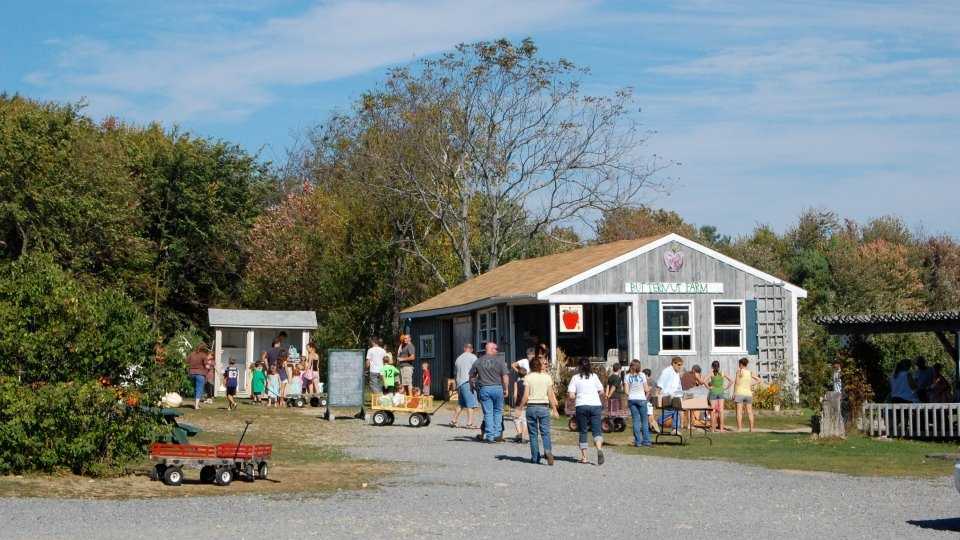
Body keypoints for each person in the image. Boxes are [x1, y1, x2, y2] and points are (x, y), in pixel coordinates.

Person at [519, 356, 559, 465]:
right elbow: (550, 395)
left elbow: (526, 396)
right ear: (540, 366)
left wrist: (520, 407)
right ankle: (547, 450)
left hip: (531, 407)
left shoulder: (528, 377)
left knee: (533, 434)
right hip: (544, 407)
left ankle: (535, 457)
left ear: (531, 366)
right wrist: (554, 409)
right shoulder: (547, 377)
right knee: (545, 432)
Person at [470, 341, 510, 443]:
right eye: (496, 349)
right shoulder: (500, 361)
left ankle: (490, 436)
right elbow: (505, 376)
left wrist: (473, 386)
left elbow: (471, 376)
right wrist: (506, 388)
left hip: (485, 389)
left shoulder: (478, 361)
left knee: (488, 413)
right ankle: (497, 434)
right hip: (497, 388)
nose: (497, 350)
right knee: (498, 412)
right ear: (490, 349)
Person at [568, 358, 606, 465]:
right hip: (595, 405)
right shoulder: (594, 376)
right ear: (589, 366)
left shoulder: (575, 378)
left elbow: (571, 394)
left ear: (579, 366)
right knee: (597, 430)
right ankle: (599, 449)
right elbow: (602, 391)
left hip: (581, 405)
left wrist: (574, 397)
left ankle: (584, 457)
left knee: (583, 431)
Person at [624, 359, 652, 447]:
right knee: (644, 421)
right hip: (641, 399)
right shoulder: (642, 375)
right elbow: (646, 389)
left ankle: (638, 442)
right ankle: (646, 441)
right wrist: (646, 395)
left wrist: (631, 394)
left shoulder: (627, 376)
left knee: (636, 420)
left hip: (632, 399)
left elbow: (626, 391)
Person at [450, 343, 479, 428]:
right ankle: (470, 423)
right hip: (468, 382)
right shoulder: (473, 357)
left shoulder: (458, 359)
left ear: (464, 348)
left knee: (461, 404)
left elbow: (455, 373)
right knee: (471, 404)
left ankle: (453, 421)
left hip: (460, 383)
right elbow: (477, 368)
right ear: (471, 349)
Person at [656, 357, 685, 431]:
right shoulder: (666, 371)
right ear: (673, 363)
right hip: (667, 396)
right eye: (679, 365)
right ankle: (656, 422)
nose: (680, 367)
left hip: (675, 396)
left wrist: (682, 393)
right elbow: (660, 383)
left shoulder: (677, 373)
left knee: (676, 411)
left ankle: (675, 429)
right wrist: (657, 395)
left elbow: (678, 386)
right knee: (673, 411)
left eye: (681, 365)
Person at [733, 357, 761, 432]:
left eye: (739, 364)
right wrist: (750, 384)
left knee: (739, 411)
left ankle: (739, 429)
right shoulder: (750, 372)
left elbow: (736, 383)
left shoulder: (739, 371)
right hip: (748, 394)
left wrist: (734, 393)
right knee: (750, 411)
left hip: (740, 393)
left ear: (741, 364)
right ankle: (751, 429)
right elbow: (759, 380)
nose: (739, 365)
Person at [708, 360, 732, 432]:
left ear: (712, 366)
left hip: (713, 392)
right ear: (719, 366)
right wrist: (726, 388)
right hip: (721, 392)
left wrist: (709, 387)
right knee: (721, 411)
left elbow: (703, 381)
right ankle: (721, 429)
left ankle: (713, 429)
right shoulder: (722, 373)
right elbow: (731, 380)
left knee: (713, 411)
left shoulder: (711, 373)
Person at [186, 343, 209, 410]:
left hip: (192, 374)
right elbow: (206, 365)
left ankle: (196, 404)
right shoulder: (203, 355)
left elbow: (186, 361)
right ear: (204, 349)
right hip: (200, 374)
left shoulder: (192, 354)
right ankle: (196, 405)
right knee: (199, 388)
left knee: (195, 388)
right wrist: (209, 366)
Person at [512, 367, 528, 443]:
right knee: (525, 420)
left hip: (518, 403)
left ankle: (519, 433)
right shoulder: (528, 383)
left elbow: (515, 394)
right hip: (526, 403)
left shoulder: (517, 383)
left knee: (517, 419)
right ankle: (524, 436)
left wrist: (515, 403)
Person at [643, 368, 660, 434]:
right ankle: (650, 428)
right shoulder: (653, 380)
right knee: (649, 415)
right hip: (652, 400)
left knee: (650, 416)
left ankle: (656, 429)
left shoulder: (648, 381)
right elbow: (658, 388)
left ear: (646, 374)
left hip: (649, 400)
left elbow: (648, 390)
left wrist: (645, 399)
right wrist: (657, 394)